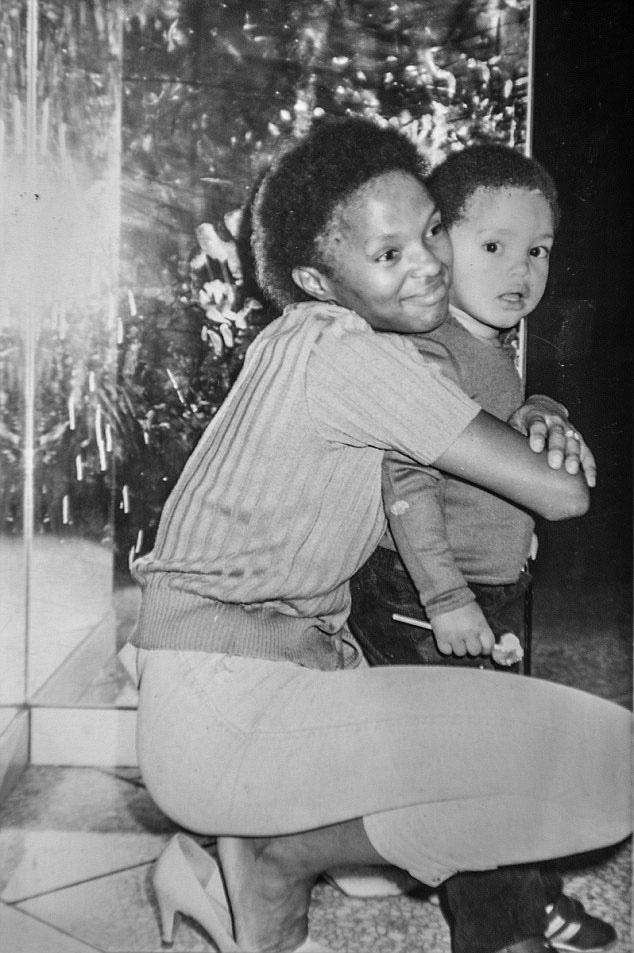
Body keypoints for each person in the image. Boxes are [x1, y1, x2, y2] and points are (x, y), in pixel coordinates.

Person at [131, 117, 631, 953]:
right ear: (318, 280)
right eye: (387, 254)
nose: (429, 264)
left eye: (430, 231)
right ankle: (278, 858)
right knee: (609, 768)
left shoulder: (298, 341)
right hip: (230, 711)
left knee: (527, 758)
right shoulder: (357, 358)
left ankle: (262, 851)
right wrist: (546, 428)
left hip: (237, 690)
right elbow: (563, 496)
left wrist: (540, 409)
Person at [345, 144, 618, 953]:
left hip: (495, 589)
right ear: (440, 245)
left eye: (537, 250)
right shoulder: (430, 350)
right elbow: (407, 484)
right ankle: (502, 935)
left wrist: (545, 400)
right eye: (494, 246)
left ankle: (533, 899)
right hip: (432, 597)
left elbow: (503, 416)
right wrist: (447, 598)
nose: (522, 270)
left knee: (511, 758)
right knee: (468, 778)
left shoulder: (493, 344)